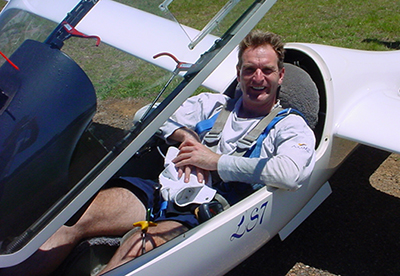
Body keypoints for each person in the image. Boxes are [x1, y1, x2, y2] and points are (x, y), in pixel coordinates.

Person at [0, 30, 315, 275]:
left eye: (266, 70)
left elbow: (289, 173)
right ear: (239, 73)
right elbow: (145, 113)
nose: (257, 79)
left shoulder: (289, 127)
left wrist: (214, 161)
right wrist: (183, 134)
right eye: (249, 70)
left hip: (208, 210)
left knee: (135, 251)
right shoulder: (215, 105)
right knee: (72, 218)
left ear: (280, 75)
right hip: (159, 191)